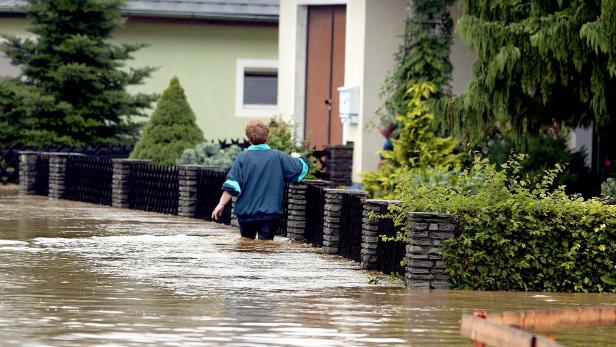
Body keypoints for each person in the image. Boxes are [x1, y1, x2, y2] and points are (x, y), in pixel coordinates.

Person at [211, 120, 309, 240]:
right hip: (270, 214)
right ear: (267, 137)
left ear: (249, 139)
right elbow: (300, 168)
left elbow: (232, 185)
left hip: (246, 214)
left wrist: (221, 204)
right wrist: (297, 156)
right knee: (265, 250)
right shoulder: (277, 156)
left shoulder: (243, 157)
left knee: (247, 248)